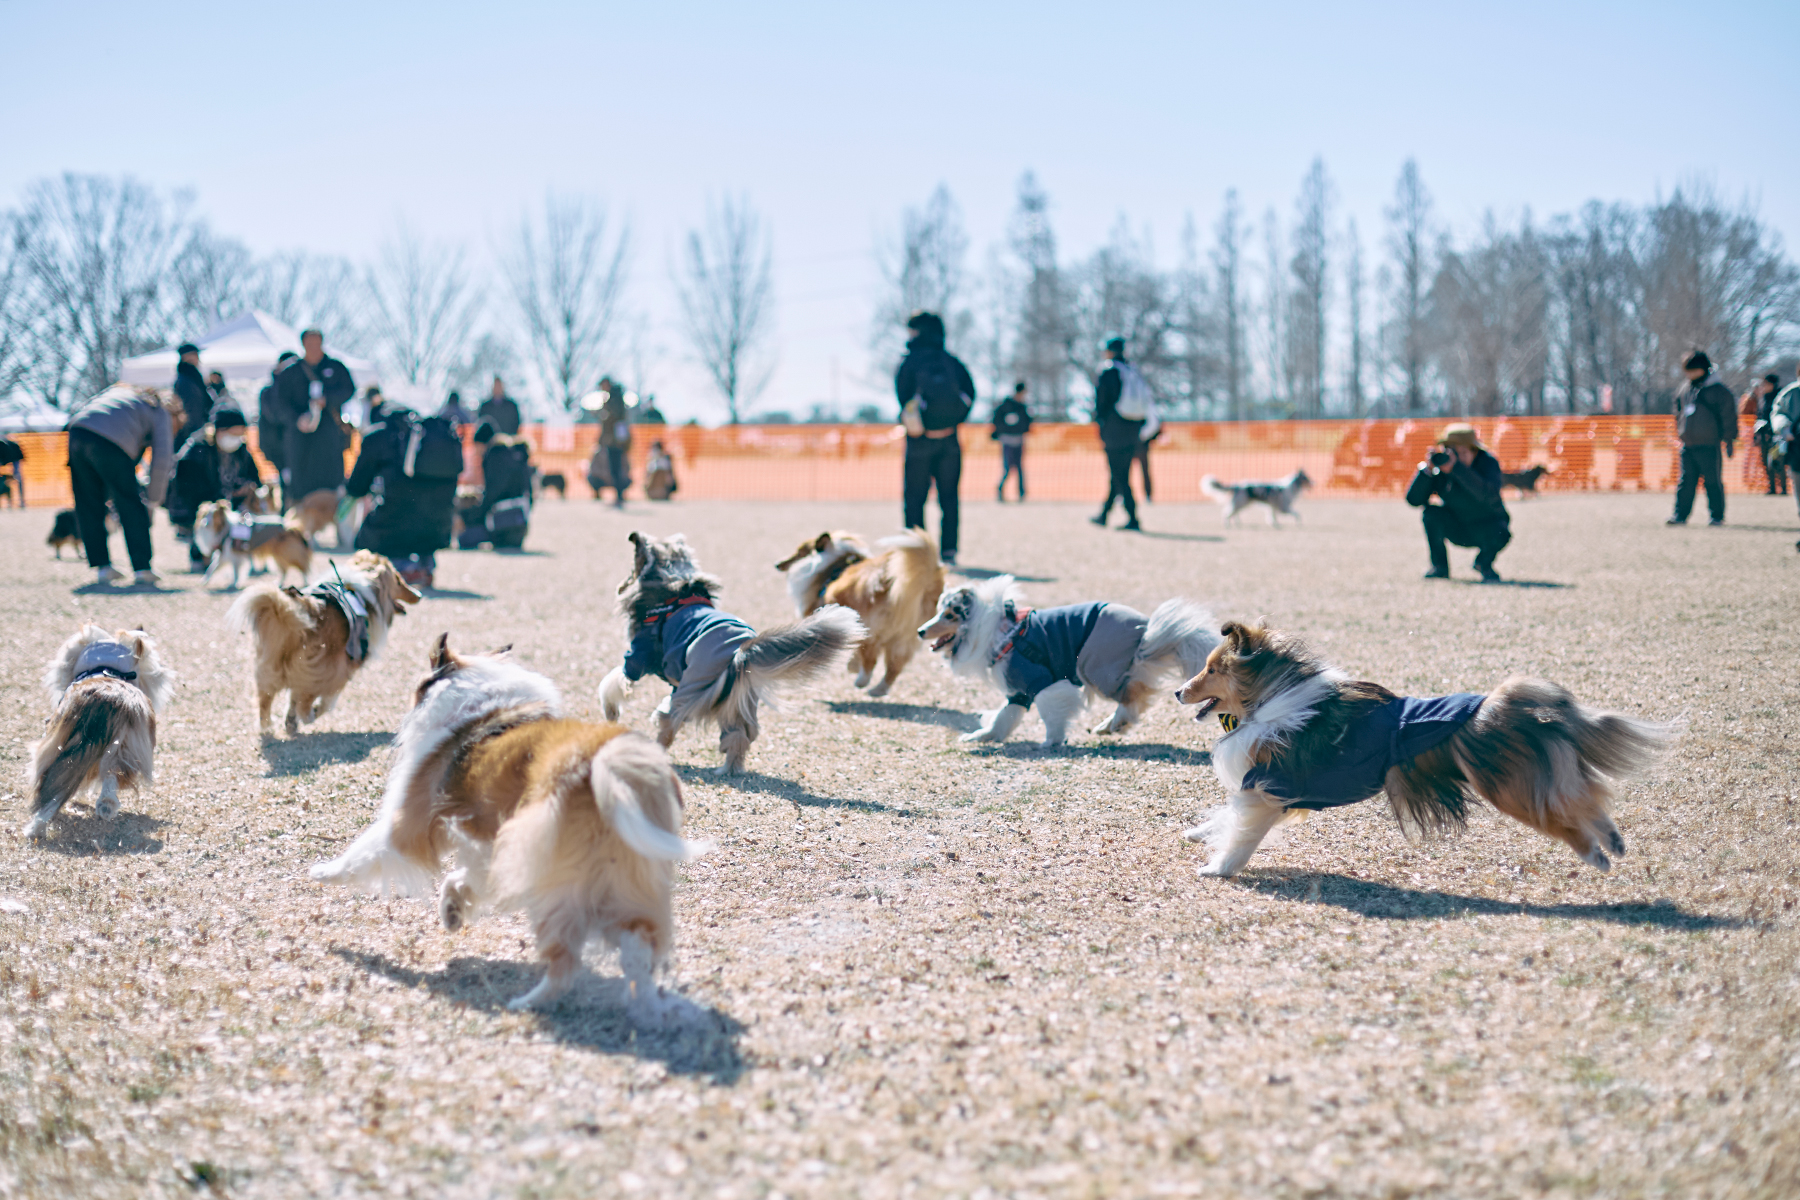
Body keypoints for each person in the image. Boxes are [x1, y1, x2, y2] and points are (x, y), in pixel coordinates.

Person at [65, 386, 176, 587]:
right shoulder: (159, 410)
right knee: (130, 502)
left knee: (88, 503)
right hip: (111, 441)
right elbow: (162, 459)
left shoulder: (119, 393)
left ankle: (102, 567)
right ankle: (142, 568)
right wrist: (153, 500)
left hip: (77, 432)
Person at [346, 405, 461, 587]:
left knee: (374, 531)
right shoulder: (442, 435)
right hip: (438, 529)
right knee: (425, 513)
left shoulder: (379, 436)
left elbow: (356, 487)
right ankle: (424, 567)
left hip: (393, 528)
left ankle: (404, 569)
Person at [895, 311, 974, 565]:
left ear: (916, 331)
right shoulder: (951, 361)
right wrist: (954, 419)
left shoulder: (909, 362)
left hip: (919, 440)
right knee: (949, 498)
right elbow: (971, 392)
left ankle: (916, 553)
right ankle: (949, 552)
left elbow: (902, 396)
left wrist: (917, 421)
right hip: (950, 440)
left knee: (914, 499)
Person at [1406, 423, 1510, 583]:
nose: (1459, 457)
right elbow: (1414, 500)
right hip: (1457, 526)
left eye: (1464, 452)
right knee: (1431, 514)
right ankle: (1439, 567)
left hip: (1486, 526)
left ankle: (1484, 564)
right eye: (1454, 452)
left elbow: (1486, 495)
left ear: (1475, 451)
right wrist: (1427, 471)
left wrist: (1458, 470)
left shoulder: (1488, 463)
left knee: (1501, 531)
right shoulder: (1441, 468)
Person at [169, 405, 263, 571]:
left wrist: (248, 488)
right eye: (234, 433)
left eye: (241, 434)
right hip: (200, 505)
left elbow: (255, 478)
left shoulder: (241, 450)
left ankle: (240, 551)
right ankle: (200, 552)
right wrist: (224, 496)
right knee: (211, 514)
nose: (238, 438)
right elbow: (188, 489)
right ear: (219, 431)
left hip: (234, 506)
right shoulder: (196, 451)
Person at [273, 329, 356, 510]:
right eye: (309, 344)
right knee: (300, 491)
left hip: (329, 437)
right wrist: (296, 419)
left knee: (331, 486)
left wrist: (328, 399)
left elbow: (349, 390)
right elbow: (279, 404)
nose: (313, 347)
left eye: (316, 343)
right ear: (303, 345)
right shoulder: (290, 372)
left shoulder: (335, 367)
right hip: (300, 441)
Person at [1667, 349, 1737, 526]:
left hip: (1709, 444)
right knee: (1685, 482)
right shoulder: (1684, 388)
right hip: (1688, 444)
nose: (1689, 374)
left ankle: (1716, 516)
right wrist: (1680, 431)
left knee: (1712, 482)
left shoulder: (1719, 390)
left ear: (1703, 369)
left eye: (1693, 370)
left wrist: (1729, 439)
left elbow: (1728, 416)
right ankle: (1680, 515)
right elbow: (1678, 410)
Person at [1090, 336, 1151, 531]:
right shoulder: (1132, 370)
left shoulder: (1108, 370)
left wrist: (1100, 423)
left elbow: (1101, 402)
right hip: (1133, 429)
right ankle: (1104, 514)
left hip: (1114, 430)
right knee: (1120, 472)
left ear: (1109, 351)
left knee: (1119, 475)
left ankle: (1132, 517)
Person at [457, 421, 533, 549]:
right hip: (519, 525)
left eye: (477, 446)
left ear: (482, 443)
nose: (477, 452)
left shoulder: (494, 456)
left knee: (464, 539)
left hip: (502, 528)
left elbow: (491, 495)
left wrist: (468, 516)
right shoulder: (514, 455)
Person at [257, 350, 299, 508]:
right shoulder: (269, 393)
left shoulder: (304, 390)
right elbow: (273, 419)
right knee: (288, 494)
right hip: (281, 452)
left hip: (302, 453)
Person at [592, 379, 632, 507]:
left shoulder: (614, 399)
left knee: (616, 468)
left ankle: (619, 495)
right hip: (617, 440)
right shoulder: (617, 397)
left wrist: (604, 412)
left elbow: (614, 416)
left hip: (614, 441)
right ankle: (619, 495)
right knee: (617, 468)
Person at [991, 381, 1032, 502]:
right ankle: (1000, 490)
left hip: (1019, 441)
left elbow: (1027, 423)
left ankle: (1021, 494)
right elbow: (997, 420)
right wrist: (1000, 432)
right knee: (1008, 468)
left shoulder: (1022, 407)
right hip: (1007, 441)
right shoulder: (1005, 406)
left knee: (1019, 468)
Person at [1747, 373, 1787, 496]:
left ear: (1772, 384)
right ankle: (1772, 488)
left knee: (1778, 462)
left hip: (1777, 436)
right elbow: (1759, 415)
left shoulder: (1780, 397)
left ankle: (1784, 488)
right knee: (1766, 462)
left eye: (1766, 384)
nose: (1763, 386)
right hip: (1764, 436)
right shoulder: (1763, 398)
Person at [1771, 375, 1800, 523]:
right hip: (1796, 443)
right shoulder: (1791, 392)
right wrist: (1784, 428)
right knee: (1798, 479)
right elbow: (1778, 413)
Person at [172, 342, 212, 449]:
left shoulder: (193, 376)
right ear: (185, 357)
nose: (197, 358)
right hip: (190, 431)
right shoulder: (186, 379)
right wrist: (195, 431)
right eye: (194, 354)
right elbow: (191, 408)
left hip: (195, 428)